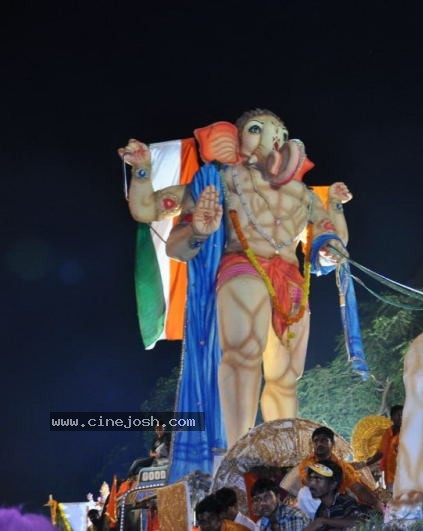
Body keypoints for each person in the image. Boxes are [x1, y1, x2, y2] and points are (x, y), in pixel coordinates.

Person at [119, 109, 352, 449]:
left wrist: (333, 221)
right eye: (258, 129)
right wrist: (143, 170)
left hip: (289, 282)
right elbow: (148, 211)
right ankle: (235, 448)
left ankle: (285, 451)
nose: (272, 138)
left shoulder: (302, 194)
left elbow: (331, 237)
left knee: (285, 376)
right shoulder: (220, 180)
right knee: (243, 357)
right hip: (242, 266)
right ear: (236, 140)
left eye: (280, 133)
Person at [295, 427, 381, 516]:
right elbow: (308, 482)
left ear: (332, 444)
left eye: (324, 440)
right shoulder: (307, 463)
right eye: (316, 441)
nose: (319, 444)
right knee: (305, 492)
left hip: (337, 506)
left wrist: (376, 503)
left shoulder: (342, 467)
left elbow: (357, 488)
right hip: (314, 505)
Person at [304, 461, 372, 530]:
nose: (311, 484)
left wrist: (324, 521)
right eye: (311, 479)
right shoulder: (320, 510)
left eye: (318, 479)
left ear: (333, 485)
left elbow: (360, 522)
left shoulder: (345, 502)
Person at [359, 405, 402, 491]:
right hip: (389, 474)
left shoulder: (408, 433)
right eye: (398, 414)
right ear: (392, 417)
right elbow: (380, 453)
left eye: (403, 414)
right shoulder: (388, 432)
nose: (401, 417)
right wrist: (364, 464)